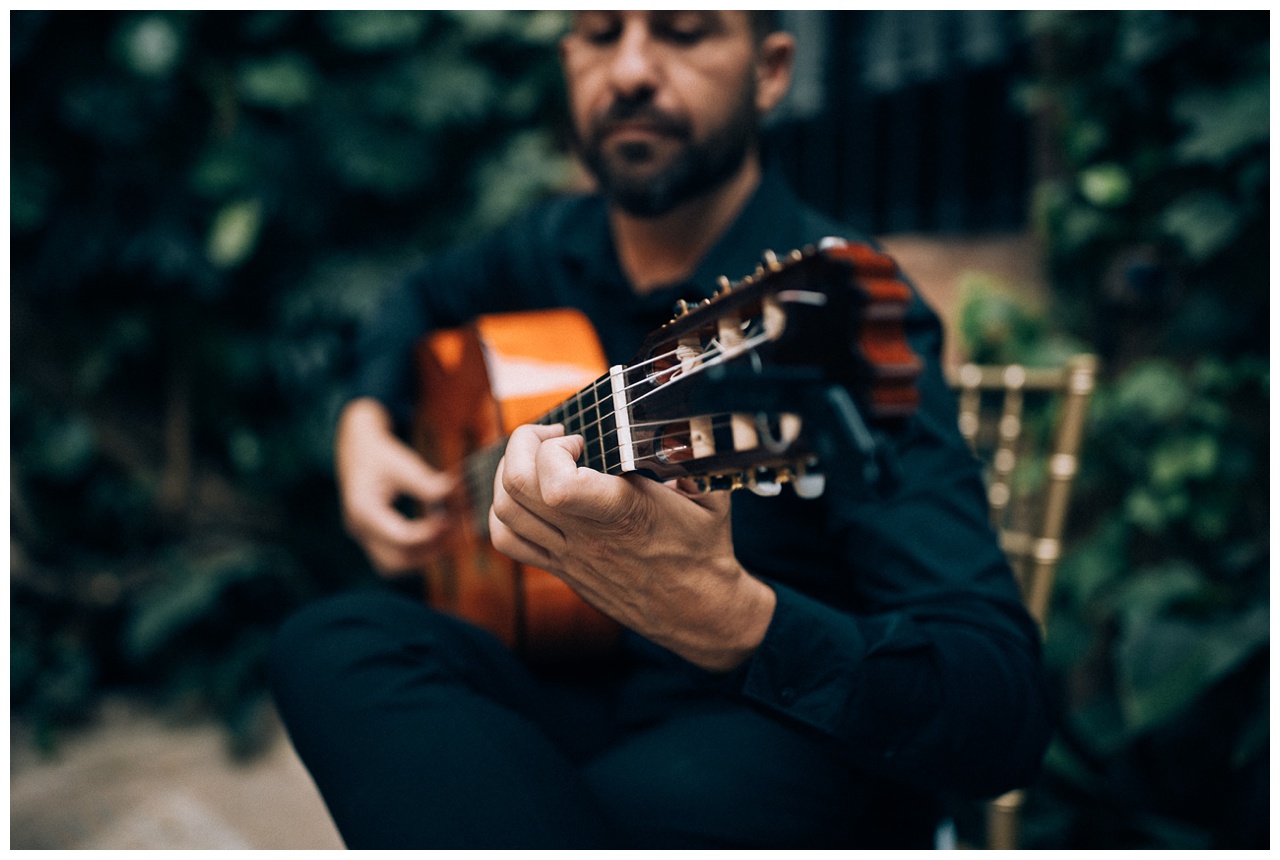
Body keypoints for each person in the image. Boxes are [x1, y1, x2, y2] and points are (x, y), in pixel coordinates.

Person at [269, 10, 1052, 849]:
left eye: (684, 32)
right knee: (330, 641)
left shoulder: (834, 320)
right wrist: (364, 421)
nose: (633, 71)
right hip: (568, 677)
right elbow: (415, 297)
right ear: (568, 59)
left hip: (773, 731)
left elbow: (1000, 705)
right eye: (601, 33)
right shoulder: (549, 246)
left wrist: (738, 620)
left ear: (772, 69)